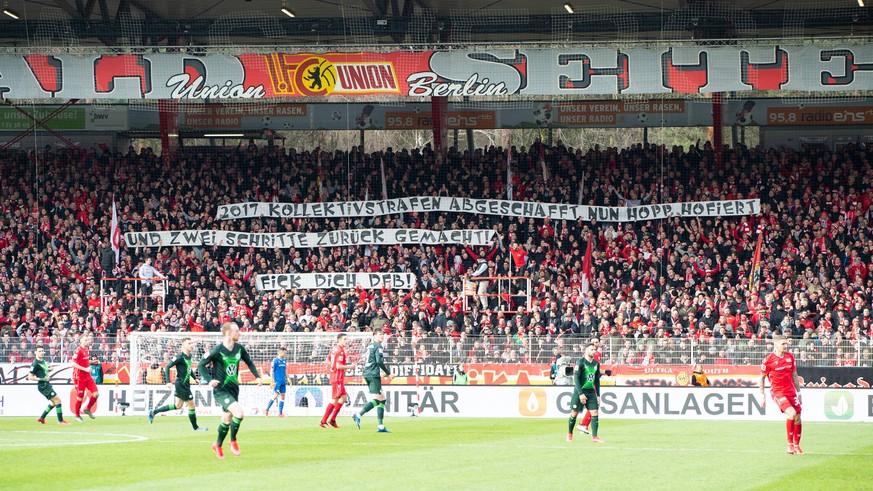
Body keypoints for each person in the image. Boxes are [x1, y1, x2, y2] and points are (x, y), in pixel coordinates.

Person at [198, 322, 263, 459]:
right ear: (228, 333)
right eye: (237, 331)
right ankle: (232, 441)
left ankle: (217, 445)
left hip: (234, 389)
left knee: (227, 419)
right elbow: (201, 365)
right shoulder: (217, 350)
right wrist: (209, 380)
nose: (239, 333)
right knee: (239, 414)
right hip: (221, 390)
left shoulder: (239, 348)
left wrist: (257, 377)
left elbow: (249, 362)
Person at [148, 337, 208, 432]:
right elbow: (167, 367)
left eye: (191, 343)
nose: (191, 345)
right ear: (184, 345)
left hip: (184, 384)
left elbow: (188, 369)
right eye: (189, 343)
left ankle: (154, 412)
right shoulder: (179, 357)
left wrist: (195, 378)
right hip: (182, 385)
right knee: (191, 406)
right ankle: (196, 427)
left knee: (178, 405)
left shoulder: (189, 356)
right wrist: (168, 381)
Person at [760, 334, 803, 455]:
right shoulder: (768, 360)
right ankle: (789, 444)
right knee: (791, 413)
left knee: (798, 417)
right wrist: (762, 395)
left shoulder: (790, 357)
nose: (786, 345)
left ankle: (797, 445)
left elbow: (794, 375)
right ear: (776, 345)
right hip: (778, 392)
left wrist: (799, 392)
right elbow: (761, 378)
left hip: (791, 391)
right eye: (783, 344)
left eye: (786, 343)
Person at [353, 328, 391, 433]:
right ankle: (358, 414)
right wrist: (388, 373)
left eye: (383, 334)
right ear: (374, 336)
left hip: (368, 373)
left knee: (382, 399)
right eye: (380, 334)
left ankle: (381, 426)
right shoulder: (378, 346)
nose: (382, 336)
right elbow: (378, 361)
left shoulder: (370, 346)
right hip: (373, 374)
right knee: (378, 400)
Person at [567, 342, 604, 443]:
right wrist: (580, 394)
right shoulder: (580, 363)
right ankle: (570, 434)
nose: (594, 351)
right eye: (591, 349)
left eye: (595, 350)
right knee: (574, 413)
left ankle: (595, 437)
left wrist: (598, 395)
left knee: (595, 412)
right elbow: (576, 379)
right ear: (586, 350)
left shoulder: (596, 364)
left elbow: (597, 380)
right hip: (580, 391)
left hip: (591, 391)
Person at [321, 333, 357, 428]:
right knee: (335, 399)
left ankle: (332, 419)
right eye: (345, 339)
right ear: (339, 340)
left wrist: (333, 368)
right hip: (337, 377)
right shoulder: (340, 351)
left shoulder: (334, 349)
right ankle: (323, 421)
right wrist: (351, 366)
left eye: (347, 339)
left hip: (335, 376)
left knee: (344, 398)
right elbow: (339, 366)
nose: (346, 341)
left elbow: (327, 360)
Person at [28, 346, 70, 425]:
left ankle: (41, 418)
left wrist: (48, 369)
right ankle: (60, 421)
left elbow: (43, 371)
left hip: (47, 384)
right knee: (58, 400)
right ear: (35, 352)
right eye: (39, 351)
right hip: (43, 386)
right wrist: (43, 379)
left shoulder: (42, 361)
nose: (41, 352)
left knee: (54, 402)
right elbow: (30, 377)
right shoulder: (35, 364)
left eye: (42, 351)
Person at [70, 332, 99, 422]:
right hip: (79, 378)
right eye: (85, 340)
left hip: (87, 377)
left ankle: (87, 409)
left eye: (88, 340)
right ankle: (77, 415)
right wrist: (85, 369)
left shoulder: (86, 350)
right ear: (81, 340)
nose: (87, 341)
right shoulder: (78, 350)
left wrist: (92, 362)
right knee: (80, 397)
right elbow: (73, 363)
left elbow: (84, 361)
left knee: (96, 394)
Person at [578, 336, 603, 434]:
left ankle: (585, 426)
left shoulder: (598, 354)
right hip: (588, 383)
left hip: (593, 381)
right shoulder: (591, 355)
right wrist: (605, 372)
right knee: (594, 406)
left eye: (597, 342)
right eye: (593, 342)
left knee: (594, 407)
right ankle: (583, 424)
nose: (595, 344)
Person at [264, 346, 287, 417]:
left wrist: (288, 378)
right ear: (280, 352)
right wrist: (272, 380)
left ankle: (280, 413)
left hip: (283, 381)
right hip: (277, 381)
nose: (285, 354)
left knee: (283, 396)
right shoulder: (275, 361)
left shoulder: (284, 360)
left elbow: (285, 370)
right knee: (275, 395)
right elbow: (271, 371)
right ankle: (267, 410)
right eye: (284, 353)